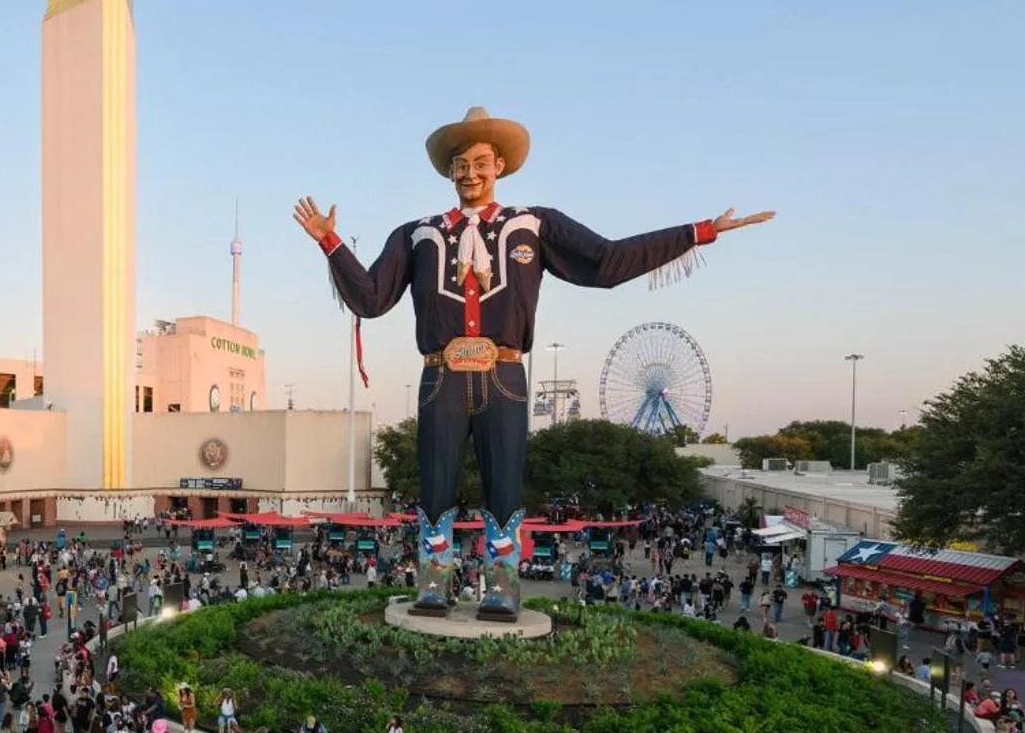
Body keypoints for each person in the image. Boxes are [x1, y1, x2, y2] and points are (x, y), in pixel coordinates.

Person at [297, 107, 771, 615]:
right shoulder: (417, 234)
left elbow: (607, 261)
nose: (470, 173)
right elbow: (371, 298)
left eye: (481, 162)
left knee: (505, 485)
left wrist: (699, 231)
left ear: (500, 165)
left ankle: (502, 588)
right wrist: (329, 241)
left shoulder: (533, 225)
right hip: (441, 376)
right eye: (461, 164)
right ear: (449, 171)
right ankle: (433, 584)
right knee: (434, 486)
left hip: (504, 372)